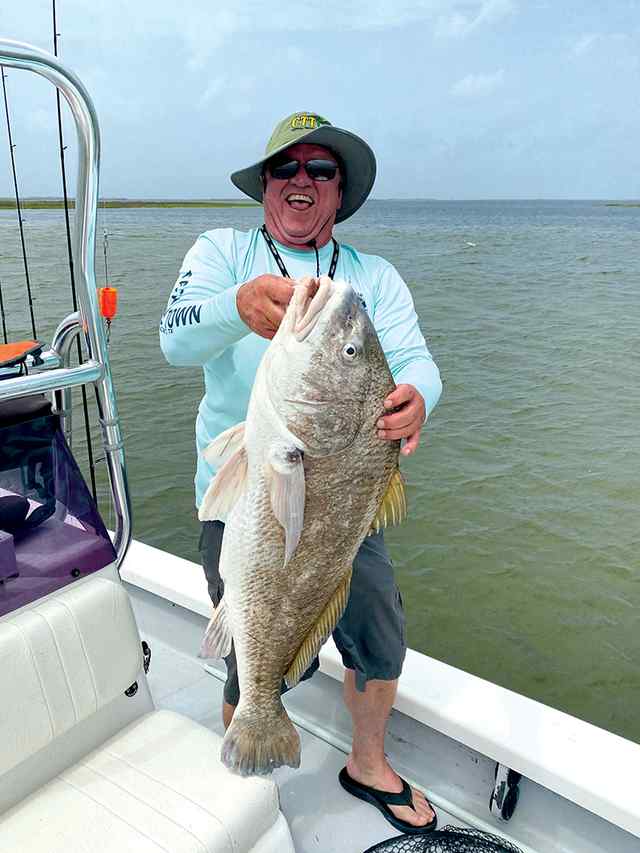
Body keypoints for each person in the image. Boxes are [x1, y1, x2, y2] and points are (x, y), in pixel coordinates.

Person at [160, 111, 442, 834]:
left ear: (339, 192)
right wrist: (235, 306)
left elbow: (415, 362)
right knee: (250, 650)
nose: (301, 181)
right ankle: (247, 776)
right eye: (287, 168)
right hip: (244, 503)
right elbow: (173, 337)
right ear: (264, 185)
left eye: (321, 171)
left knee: (380, 634)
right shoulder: (223, 251)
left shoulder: (372, 277)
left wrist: (418, 399)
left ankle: (367, 762)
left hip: (342, 510)